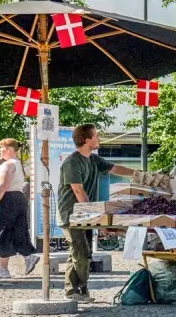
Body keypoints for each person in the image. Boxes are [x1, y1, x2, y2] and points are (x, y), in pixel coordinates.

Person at [58, 124, 135, 302]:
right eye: (96, 136)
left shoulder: (93, 159)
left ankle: (80, 291)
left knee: (81, 253)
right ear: (87, 139)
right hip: (72, 214)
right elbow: (78, 190)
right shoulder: (72, 162)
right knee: (80, 251)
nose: (98, 139)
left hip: (85, 215)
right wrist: (92, 213)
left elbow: (115, 168)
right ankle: (73, 292)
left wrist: (138, 174)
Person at [0, 138, 37, 280]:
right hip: (19, 198)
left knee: (3, 232)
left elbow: (3, 185)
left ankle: (3, 269)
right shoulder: (17, 164)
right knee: (18, 229)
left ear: (8, 149)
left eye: (1, 149)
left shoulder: (8, 165)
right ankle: (28, 256)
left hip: (7, 199)